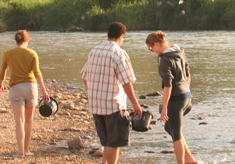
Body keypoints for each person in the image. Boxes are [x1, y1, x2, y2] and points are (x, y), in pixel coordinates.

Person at [81, 22, 143, 164]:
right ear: (121, 36)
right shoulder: (119, 54)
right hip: (113, 105)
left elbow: (85, 77)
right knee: (114, 143)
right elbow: (127, 82)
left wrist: (92, 94)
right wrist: (136, 104)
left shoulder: (94, 51)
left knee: (107, 142)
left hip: (96, 105)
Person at [145, 31, 199, 164]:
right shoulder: (179, 52)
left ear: (156, 44)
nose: (152, 51)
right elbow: (188, 73)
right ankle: (190, 160)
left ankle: (182, 162)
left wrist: (164, 107)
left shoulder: (165, 59)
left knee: (176, 133)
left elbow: (168, 85)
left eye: (151, 48)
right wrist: (186, 90)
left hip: (176, 99)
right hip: (187, 96)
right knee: (169, 127)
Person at [0, 30, 50, 158]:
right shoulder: (32, 53)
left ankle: (20, 151)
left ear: (16, 41)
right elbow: (37, 73)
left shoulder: (8, 54)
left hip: (16, 88)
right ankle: (27, 150)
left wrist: (0, 85)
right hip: (31, 88)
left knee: (19, 121)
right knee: (28, 121)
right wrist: (44, 90)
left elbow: (2, 72)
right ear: (26, 41)